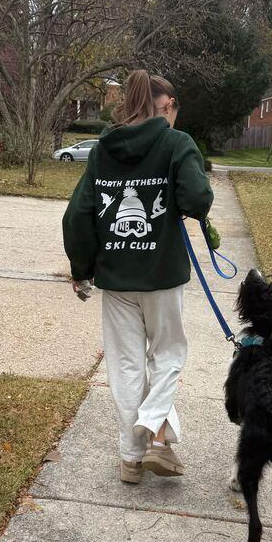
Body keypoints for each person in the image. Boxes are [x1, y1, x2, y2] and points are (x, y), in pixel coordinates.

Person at [62, 70, 213, 483]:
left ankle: (132, 457)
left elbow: (78, 214)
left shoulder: (102, 150)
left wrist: (82, 270)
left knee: (126, 366)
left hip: (116, 278)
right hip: (163, 274)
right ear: (166, 107)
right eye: (174, 110)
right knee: (167, 356)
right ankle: (156, 437)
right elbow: (198, 198)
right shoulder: (176, 143)